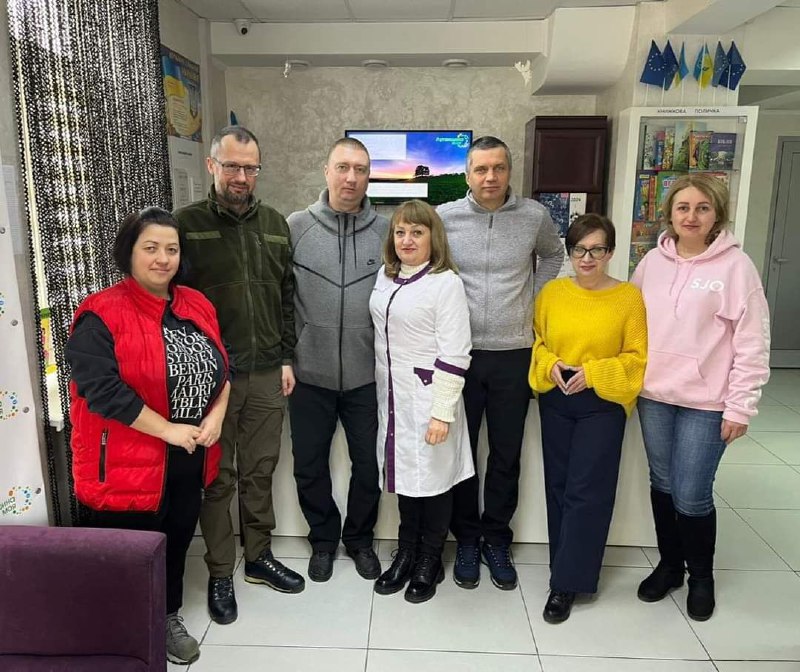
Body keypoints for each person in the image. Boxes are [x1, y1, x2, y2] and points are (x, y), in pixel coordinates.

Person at [66, 207, 231, 665]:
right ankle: (121, 635)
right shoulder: (100, 313)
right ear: (129, 252)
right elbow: (102, 391)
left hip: (188, 456)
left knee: (174, 544)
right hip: (127, 462)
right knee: (129, 555)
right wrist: (167, 429)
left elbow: (224, 365)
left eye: (171, 249)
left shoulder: (196, 303)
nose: (163, 259)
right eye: (151, 248)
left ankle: (167, 616)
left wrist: (217, 414)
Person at [173, 125, 304, 627]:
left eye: (250, 168)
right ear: (212, 166)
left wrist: (286, 357)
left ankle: (259, 557)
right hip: (212, 381)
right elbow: (173, 306)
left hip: (268, 372)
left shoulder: (275, 224)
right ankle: (220, 571)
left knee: (260, 470)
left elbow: (286, 297)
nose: (241, 177)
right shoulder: (186, 226)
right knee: (218, 479)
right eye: (232, 166)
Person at [631, 173, 770, 621]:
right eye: (683, 207)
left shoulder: (736, 267)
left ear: (717, 215)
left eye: (702, 208)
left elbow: (752, 341)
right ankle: (670, 566)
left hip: (707, 403)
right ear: (669, 214)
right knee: (663, 484)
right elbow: (631, 321)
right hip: (655, 395)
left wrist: (741, 405)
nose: (691, 216)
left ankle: (701, 577)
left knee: (691, 494)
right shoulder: (652, 262)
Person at [437, 135, 564, 590]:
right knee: (462, 453)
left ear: (509, 171)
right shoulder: (445, 217)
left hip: (514, 353)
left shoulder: (534, 216)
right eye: (481, 169)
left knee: (506, 454)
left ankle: (496, 538)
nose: (490, 177)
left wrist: (534, 299)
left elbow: (554, 254)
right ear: (467, 174)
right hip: (461, 354)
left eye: (498, 168)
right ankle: (466, 539)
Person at [529, 214, 647, 623]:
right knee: (558, 487)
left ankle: (567, 584)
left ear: (610, 252)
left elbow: (636, 357)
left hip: (603, 402)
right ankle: (562, 566)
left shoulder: (628, 298)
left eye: (597, 249)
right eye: (580, 249)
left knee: (587, 491)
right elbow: (537, 342)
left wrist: (593, 373)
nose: (587, 258)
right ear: (570, 252)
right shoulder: (552, 293)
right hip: (557, 397)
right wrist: (552, 365)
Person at [286, 137, 388, 582]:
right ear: (326, 170)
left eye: (360, 170)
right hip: (309, 374)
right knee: (309, 465)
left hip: (368, 376)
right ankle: (323, 541)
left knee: (369, 465)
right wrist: (286, 356)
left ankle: (360, 540)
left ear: (369, 178)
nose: (351, 178)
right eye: (343, 167)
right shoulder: (296, 227)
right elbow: (281, 298)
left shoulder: (388, 231)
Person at [370, 200, 473, 603]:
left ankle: (430, 558)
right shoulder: (385, 277)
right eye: (400, 232)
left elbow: (456, 352)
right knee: (407, 482)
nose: (407, 240)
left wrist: (442, 412)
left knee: (434, 481)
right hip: (394, 398)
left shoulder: (445, 283)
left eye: (417, 232)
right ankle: (406, 552)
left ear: (434, 237)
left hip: (431, 399)